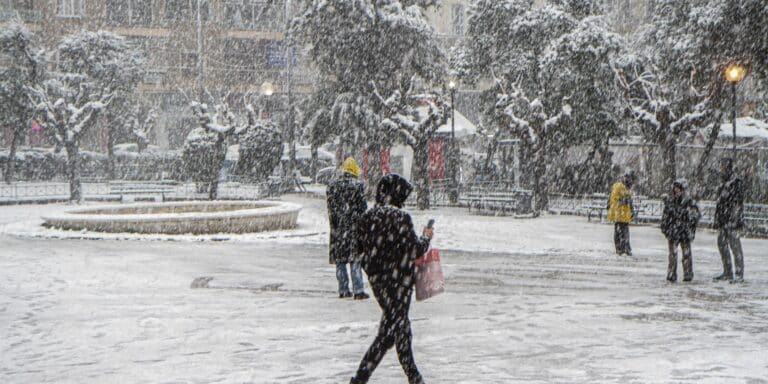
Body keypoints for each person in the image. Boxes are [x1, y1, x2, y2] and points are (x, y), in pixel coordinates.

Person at [350, 174, 433, 384]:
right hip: (401, 284)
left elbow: (358, 252)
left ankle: (363, 378)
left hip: (381, 284)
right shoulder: (401, 218)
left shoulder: (367, 218)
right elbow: (415, 250)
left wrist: (374, 272)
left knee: (391, 332)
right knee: (398, 330)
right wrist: (426, 237)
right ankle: (413, 378)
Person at [327, 157, 369, 299]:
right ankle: (358, 290)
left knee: (340, 261)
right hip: (353, 228)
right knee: (355, 259)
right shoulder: (357, 186)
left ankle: (343, 289)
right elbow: (362, 209)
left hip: (338, 229)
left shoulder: (333, 186)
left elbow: (331, 209)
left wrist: (335, 224)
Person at [660, 179, 701, 283]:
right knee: (672, 255)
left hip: (684, 232)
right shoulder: (671, 202)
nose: (676, 191)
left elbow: (695, 216)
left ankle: (687, 274)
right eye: (675, 189)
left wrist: (686, 217)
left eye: (678, 189)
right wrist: (665, 228)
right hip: (674, 232)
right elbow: (665, 217)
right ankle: (671, 274)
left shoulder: (689, 202)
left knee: (686, 254)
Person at [713, 157, 746, 283]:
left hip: (732, 220)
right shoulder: (724, 182)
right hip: (723, 219)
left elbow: (737, 202)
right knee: (722, 245)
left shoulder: (735, 182)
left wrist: (734, 218)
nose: (720, 168)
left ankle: (739, 273)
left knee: (735, 246)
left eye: (722, 166)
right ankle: (727, 271)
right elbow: (720, 202)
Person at [608, 171, 636, 256]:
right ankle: (622, 248)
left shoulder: (622, 187)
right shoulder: (619, 187)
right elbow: (616, 200)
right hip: (620, 213)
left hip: (623, 214)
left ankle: (623, 248)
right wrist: (625, 201)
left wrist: (631, 209)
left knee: (622, 231)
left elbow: (626, 200)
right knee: (621, 231)